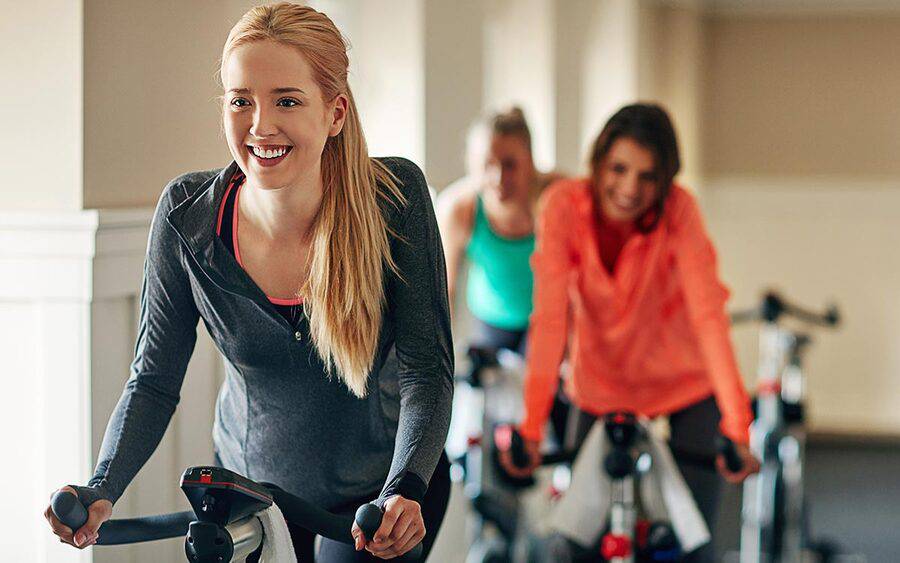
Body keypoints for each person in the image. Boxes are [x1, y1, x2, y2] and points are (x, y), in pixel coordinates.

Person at [43, 3, 453, 561]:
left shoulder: (394, 199)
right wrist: (102, 486)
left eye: (287, 100)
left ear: (335, 113)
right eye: (241, 101)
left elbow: (426, 369)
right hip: (251, 500)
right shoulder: (187, 217)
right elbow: (155, 379)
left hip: (377, 500)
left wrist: (405, 488)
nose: (260, 126)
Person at [499, 103, 760, 562]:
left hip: (682, 385)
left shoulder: (679, 212)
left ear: (665, 180)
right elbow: (550, 319)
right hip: (599, 388)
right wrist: (533, 426)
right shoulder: (563, 206)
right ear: (598, 163)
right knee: (573, 547)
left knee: (689, 545)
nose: (628, 189)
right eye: (618, 169)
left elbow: (708, 318)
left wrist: (737, 426)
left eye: (647, 176)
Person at [437, 107, 561, 354]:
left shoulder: (557, 196)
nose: (498, 177)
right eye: (487, 164)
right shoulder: (459, 209)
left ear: (531, 161)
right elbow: (444, 292)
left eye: (510, 164)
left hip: (547, 321)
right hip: (491, 322)